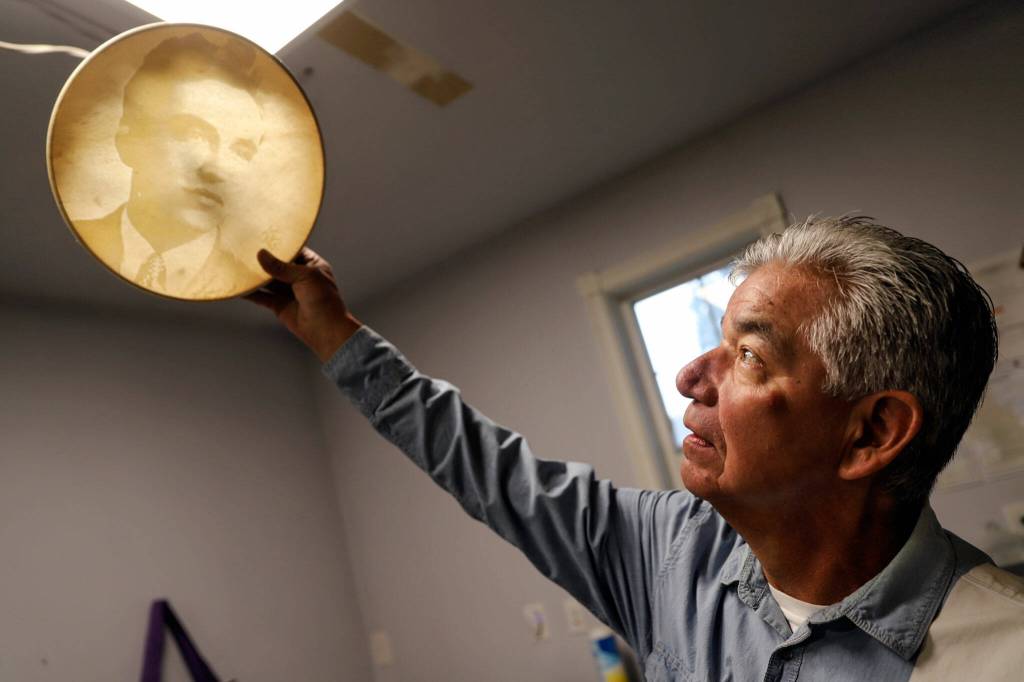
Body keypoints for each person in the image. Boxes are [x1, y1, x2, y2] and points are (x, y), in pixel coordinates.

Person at [247, 217, 1024, 680]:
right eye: (714, 343)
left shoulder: (1000, 657)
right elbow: (484, 465)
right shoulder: (669, 556)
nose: (691, 376)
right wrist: (330, 333)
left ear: (870, 434)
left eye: (750, 356)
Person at [76, 33, 266, 298]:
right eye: (194, 134)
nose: (218, 169)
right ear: (129, 139)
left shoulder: (260, 290)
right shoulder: (58, 252)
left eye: (241, 151)